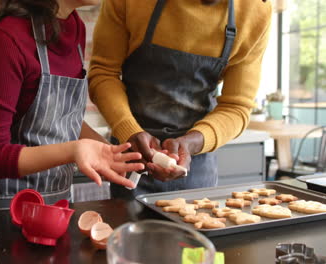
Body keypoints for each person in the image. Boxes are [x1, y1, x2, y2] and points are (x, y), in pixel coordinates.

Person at [0, 0, 144, 212]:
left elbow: (62, 118)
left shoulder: (74, 28)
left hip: (56, 205)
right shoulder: (3, 40)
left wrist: (114, 153)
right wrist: (73, 150)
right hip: (6, 208)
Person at [88, 0, 272, 197]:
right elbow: (104, 73)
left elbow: (236, 107)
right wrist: (129, 130)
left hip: (197, 163)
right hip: (130, 156)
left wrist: (192, 143)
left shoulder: (255, 11)